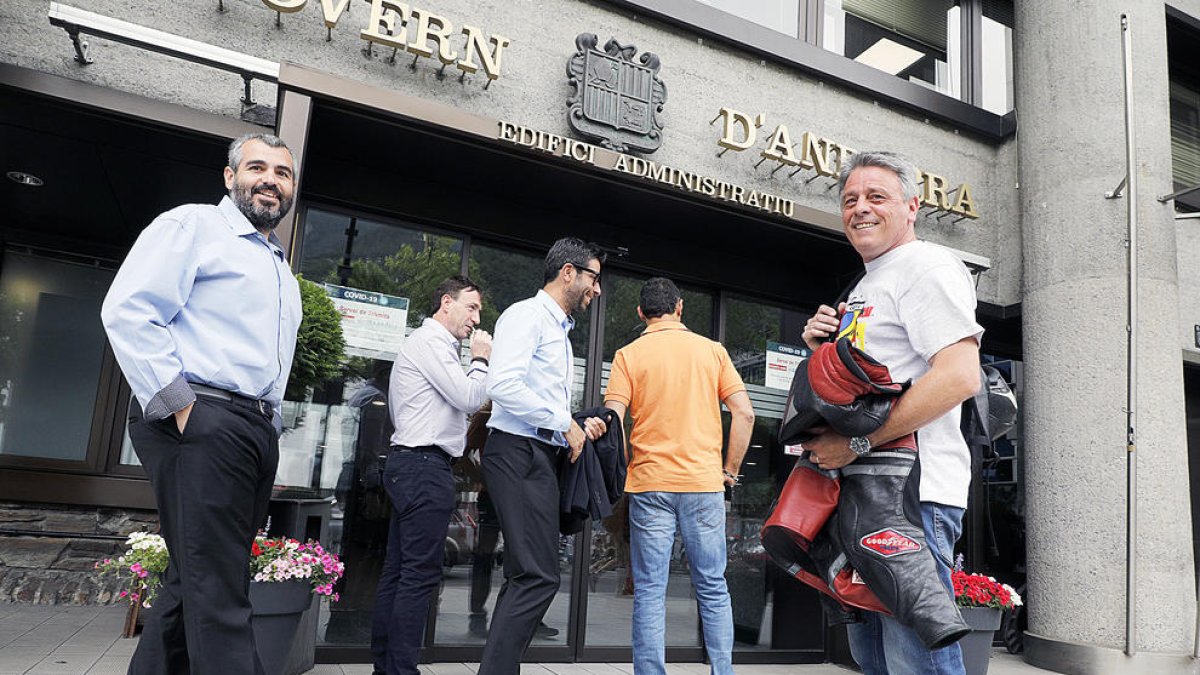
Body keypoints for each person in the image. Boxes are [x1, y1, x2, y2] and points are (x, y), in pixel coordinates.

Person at [100, 132, 302, 675]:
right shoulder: (193, 226)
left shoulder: (279, 267)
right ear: (229, 176)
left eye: (282, 173)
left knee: (197, 581)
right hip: (203, 417)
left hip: (251, 429)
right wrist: (184, 409)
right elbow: (129, 311)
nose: (270, 180)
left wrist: (269, 424)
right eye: (257, 167)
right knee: (219, 589)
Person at [801, 150, 983, 675]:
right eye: (850, 199)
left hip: (911, 498)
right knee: (874, 660)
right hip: (862, 497)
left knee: (915, 661)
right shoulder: (865, 284)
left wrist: (856, 444)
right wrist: (820, 346)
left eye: (876, 196)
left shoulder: (925, 267)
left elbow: (958, 375)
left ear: (912, 206)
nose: (860, 208)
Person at [602, 277, 755, 675]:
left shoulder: (628, 355)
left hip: (649, 483)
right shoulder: (712, 352)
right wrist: (730, 472)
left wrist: (619, 471)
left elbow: (612, 419)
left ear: (641, 314)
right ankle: (722, 671)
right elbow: (745, 412)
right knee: (713, 586)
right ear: (680, 307)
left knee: (650, 591)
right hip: (704, 484)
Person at [478, 237, 608, 675]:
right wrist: (562, 422)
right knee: (538, 576)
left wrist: (574, 422)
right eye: (594, 277)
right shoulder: (527, 315)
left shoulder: (558, 329)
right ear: (568, 272)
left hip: (536, 454)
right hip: (517, 453)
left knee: (524, 574)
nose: (598, 289)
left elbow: (535, 399)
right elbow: (503, 386)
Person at [370, 276, 492, 675]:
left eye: (479, 311)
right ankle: (400, 669)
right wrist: (481, 359)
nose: (476, 318)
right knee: (418, 576)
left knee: (400, 571)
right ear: (446, 302)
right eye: (471, 307)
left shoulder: (428, 345)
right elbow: (470, 398)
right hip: (423, 466)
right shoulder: (432, 343)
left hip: (412, 464)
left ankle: (386, 667)